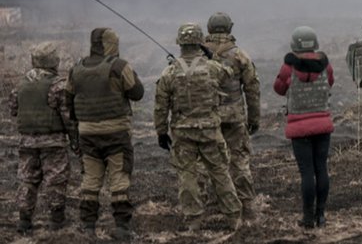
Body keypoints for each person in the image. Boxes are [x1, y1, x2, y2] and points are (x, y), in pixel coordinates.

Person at [153, 23, 242, 231]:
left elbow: (160, 106)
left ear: (180, 44)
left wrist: (161, 132)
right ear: (200, 43)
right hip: (210, 130)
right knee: (220, 172)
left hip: (182, 132)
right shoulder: (212, 68)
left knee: (187, 175)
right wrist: (211, 56)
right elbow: (228, 75)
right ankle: (233, 217)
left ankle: (193, 220)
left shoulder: (169, 72)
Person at [66, 28, 144, 239]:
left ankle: (88, 227)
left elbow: (69, 102)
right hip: (116, 132)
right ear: (112, 44)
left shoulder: (76, 68)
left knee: (90, 180)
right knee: (119, 179)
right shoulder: (119, 66)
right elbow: (138, 93)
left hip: (87, 133)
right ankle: (121, 227)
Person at [9, 42, 77, 234]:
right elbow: (68, 117)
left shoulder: (20, 85)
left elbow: (13, 110)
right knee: (55, 179)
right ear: (53, 61)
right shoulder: (58, 85)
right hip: (53, 141)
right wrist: (75, 140)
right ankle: (56, 221)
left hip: (27, 141)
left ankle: (24, 221)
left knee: (28, 180)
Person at [273, 26, 334, 228]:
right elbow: (330, 83)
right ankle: (321, 215)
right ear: (315, 44)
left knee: (307, 173)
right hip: (323, 125)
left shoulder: (288, 68)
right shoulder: (326, 66)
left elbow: (279, 89)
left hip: (299, 128)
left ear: (294, 45)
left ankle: (308, 218)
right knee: (321, 169)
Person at [203, 12, 260, 216]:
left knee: (207, 161)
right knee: (239, 160)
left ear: (209, 29)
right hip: (235, 117)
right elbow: (252, 89)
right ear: (229, 29)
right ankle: (248, 206)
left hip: (207, 118)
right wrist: (254, 119)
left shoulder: (198, 56)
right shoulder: (240, 55)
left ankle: (207, 206)